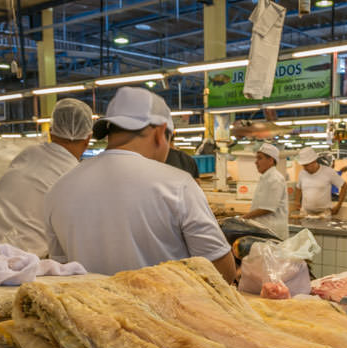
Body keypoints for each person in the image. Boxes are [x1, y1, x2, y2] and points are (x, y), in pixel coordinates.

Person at [44, 86, 236, 283]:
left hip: (89, 313)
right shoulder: (178, 185)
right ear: (161, 133)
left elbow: (62, 272)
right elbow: (222, 273)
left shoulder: (58, 189)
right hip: (165, 312)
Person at [0, 98, 93, 257]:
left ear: (52, 131)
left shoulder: (27, 154)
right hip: (19, 261)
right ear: (88, 138)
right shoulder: (76, 175)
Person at [241, 143, 288, 240]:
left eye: (259, 158)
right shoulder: (265, 177)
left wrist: (243, 218)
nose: (256, 162)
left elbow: (267, 208)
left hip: (272, 231)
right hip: (264, 230)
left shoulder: (275, 179)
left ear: (271, 160)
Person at [293, 147, 347, 217]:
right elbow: (298, 188)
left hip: (323, 214)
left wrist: (338, 206)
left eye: (307, 165)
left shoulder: (328, 172)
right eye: (303, 166)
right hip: (305, 213)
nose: (305, 168)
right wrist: (297, 201)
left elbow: (344, 186)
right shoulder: (302, 173)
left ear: (314, 161)